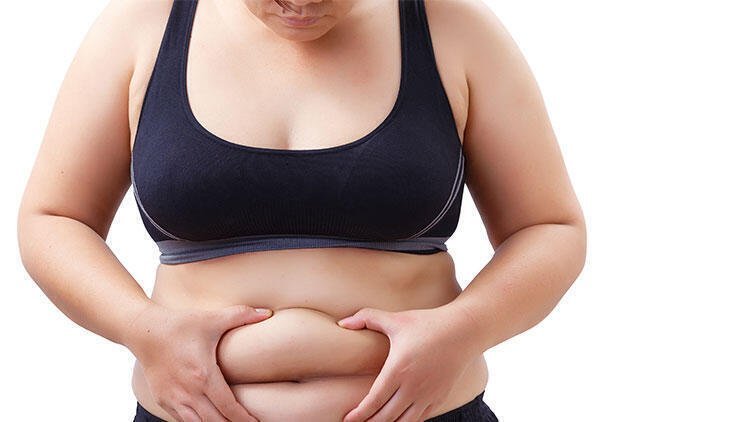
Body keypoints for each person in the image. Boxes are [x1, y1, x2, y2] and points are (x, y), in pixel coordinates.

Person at [17, 0, 587, 420]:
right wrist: (144, 332)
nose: (304, 2)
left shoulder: (453, 27)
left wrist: (462, 331)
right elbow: (53, 219)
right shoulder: (142, 25)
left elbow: (549, 228)